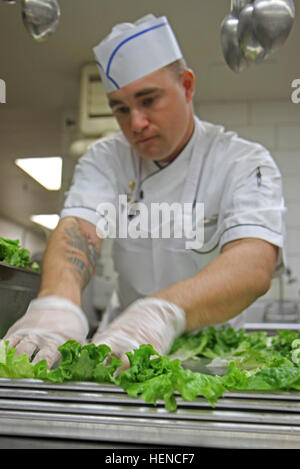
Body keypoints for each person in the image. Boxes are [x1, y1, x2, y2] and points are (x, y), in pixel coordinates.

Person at [3, 14, 285, 368]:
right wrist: (57, 301)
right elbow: (80, 226)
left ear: (186, 86)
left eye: (148, 100)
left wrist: (160, 312)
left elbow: (254, 262)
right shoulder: (106, 158)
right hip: (123, 345)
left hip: (212, 353)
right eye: (120, 109)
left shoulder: (242, 161)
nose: (135, 123)